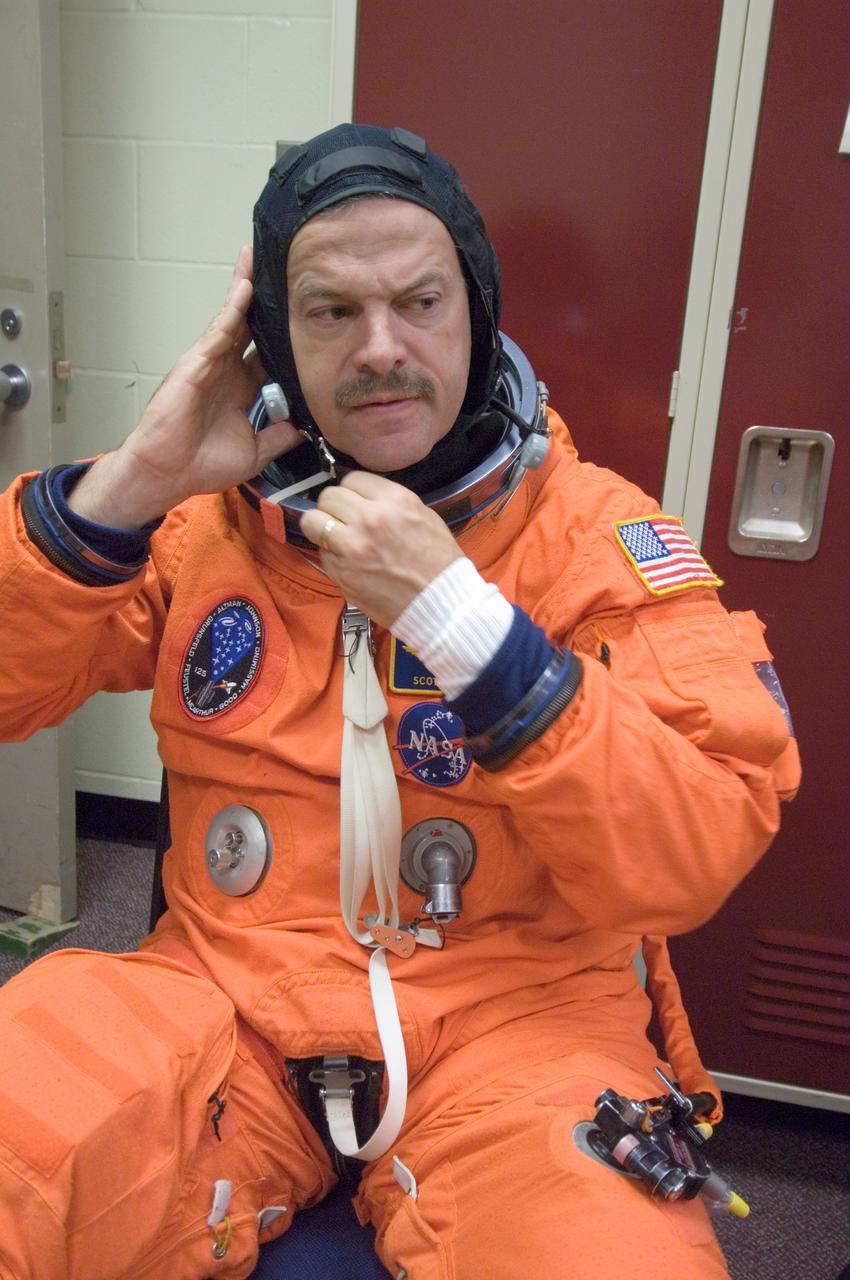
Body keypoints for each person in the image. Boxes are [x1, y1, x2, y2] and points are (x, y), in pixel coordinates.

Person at [0, 124, 799, 1280]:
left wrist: (463, 622)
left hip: (512, 1033)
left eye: (420, 301)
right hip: (225, 1004)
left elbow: (696, 846)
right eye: (329, 312)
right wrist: (136, 478)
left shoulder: (597, 539)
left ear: (475, 309)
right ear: (270, 334)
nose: (382, 348)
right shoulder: (206, 524)